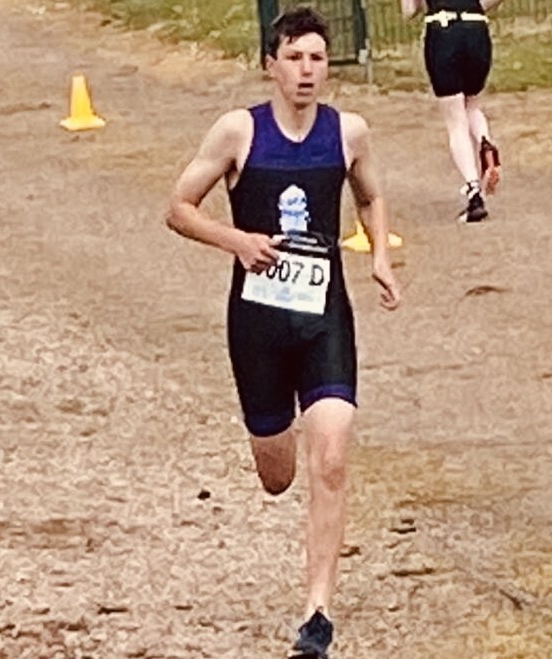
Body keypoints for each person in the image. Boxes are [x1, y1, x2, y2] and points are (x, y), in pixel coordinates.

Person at [165, 6, 401, 659]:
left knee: (331, 456)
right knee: (278, 473)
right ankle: (273, 447)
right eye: (294, 58)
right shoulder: (238, 132)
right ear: (271, 65)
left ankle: (317, 614)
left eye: (317, 59)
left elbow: (371, 195)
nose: (306, 71)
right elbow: (178, 206)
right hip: (258, 325)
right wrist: (236, 239)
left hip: (325, 317)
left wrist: (378, 253)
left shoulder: (347, 132)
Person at [401, 0, 504, 222]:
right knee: (472, 104)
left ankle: (473, 191)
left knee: (455, 119)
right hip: (476, 28)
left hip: (443, 31)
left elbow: (408, 12)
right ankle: (486, 143)